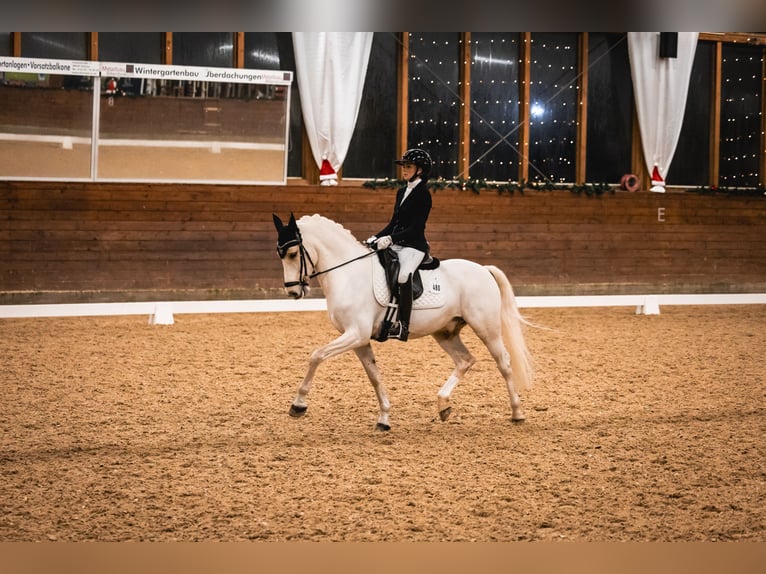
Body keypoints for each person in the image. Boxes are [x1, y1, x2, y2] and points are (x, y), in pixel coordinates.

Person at [366, 148, 433, 342]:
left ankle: (403, 325)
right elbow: (393, 223)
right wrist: (376, 237)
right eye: (403, 166)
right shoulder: (402, 191)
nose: (404, 170)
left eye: (408, 167)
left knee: (403, 276)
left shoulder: (423, 194)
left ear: (420, 170)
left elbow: (415, 228)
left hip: (414, 245)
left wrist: (392, 239)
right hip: (398, 243)